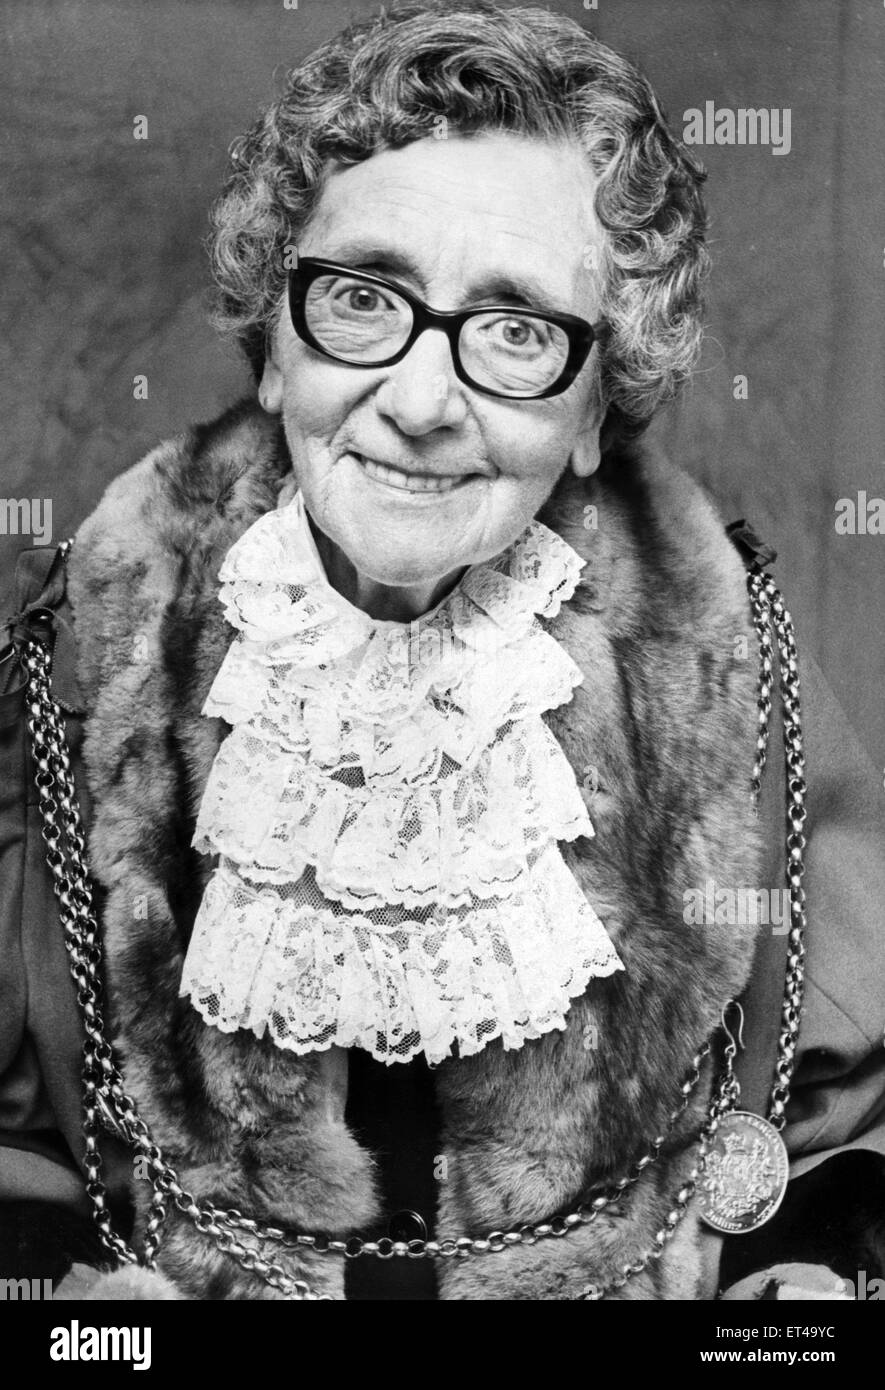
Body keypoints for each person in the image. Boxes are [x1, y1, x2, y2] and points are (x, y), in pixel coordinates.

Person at [2, 0, 883, 1302]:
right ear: (275, 342)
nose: (420, 402)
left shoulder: (734, 678)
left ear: (595, 410)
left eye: (518, 329)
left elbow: (837, 1141)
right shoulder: (80, 673)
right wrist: (70, 1312)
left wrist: (798, 1287)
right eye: (362, 297)